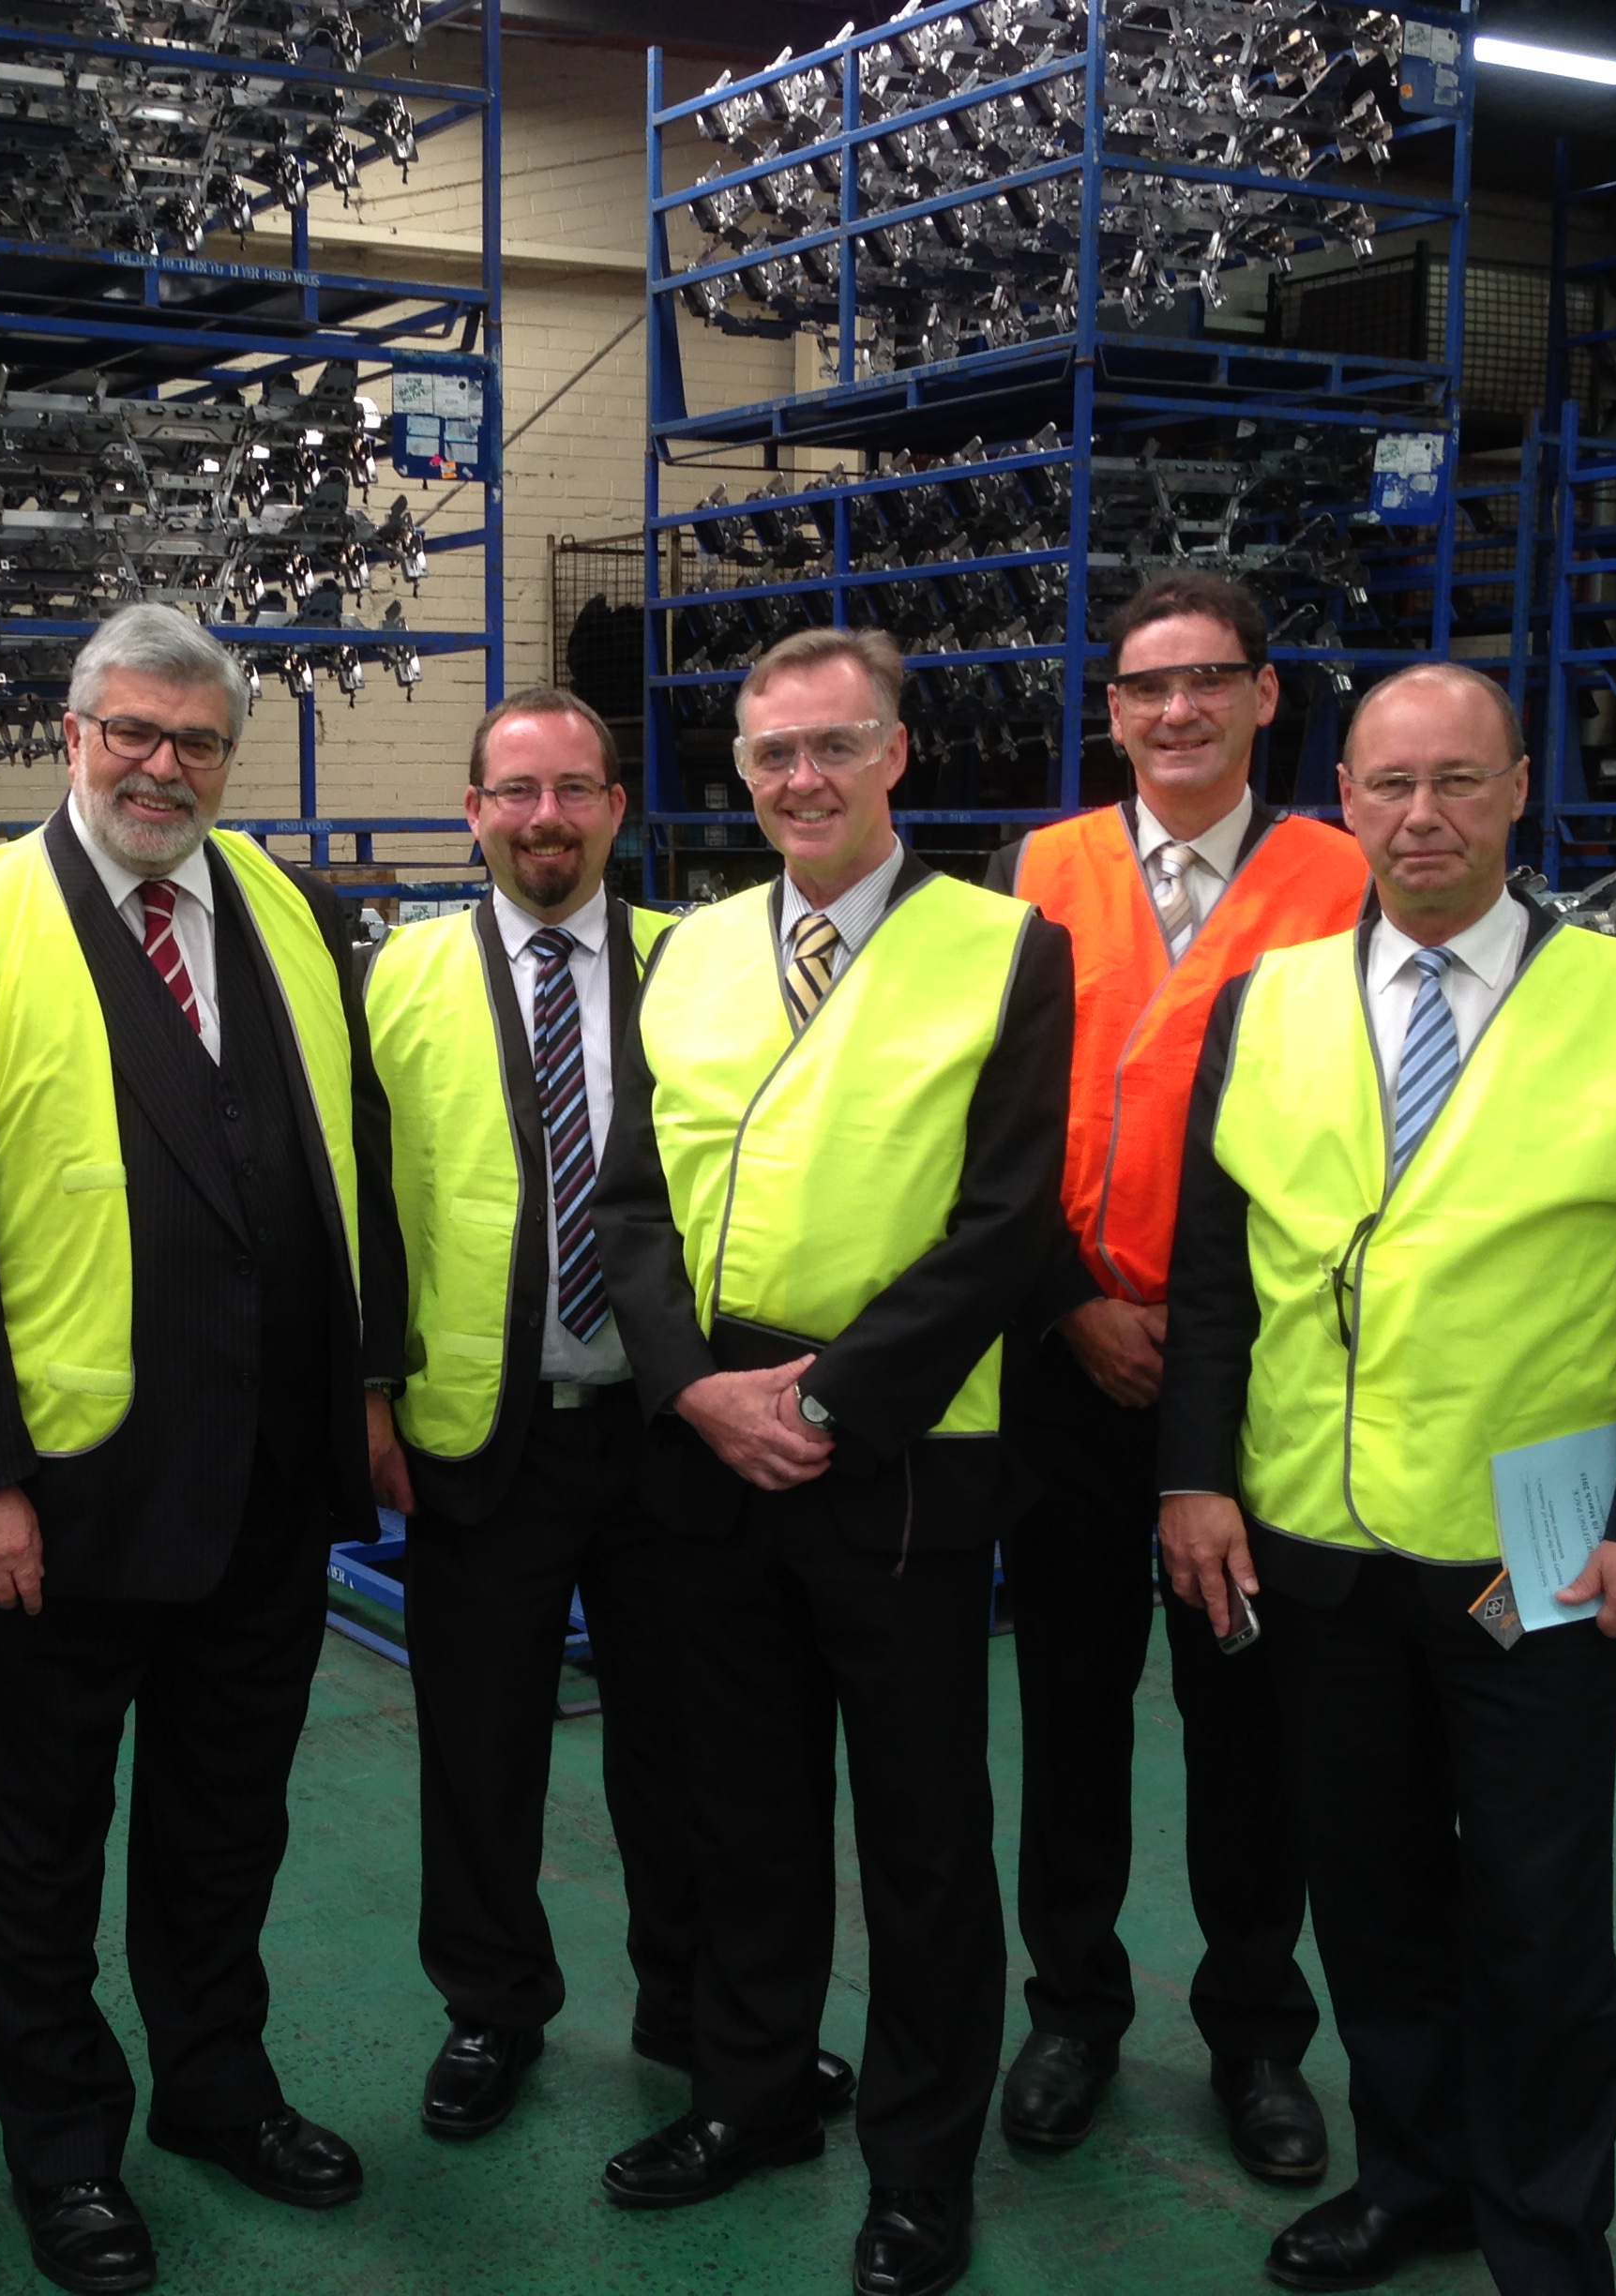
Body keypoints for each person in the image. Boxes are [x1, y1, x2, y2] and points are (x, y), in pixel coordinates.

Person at [1159, 660, 1616, 2295]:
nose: (1421, 816)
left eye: (1456, 782)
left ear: (1513, 793)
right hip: (1317, 1549)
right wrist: (1193, 1479)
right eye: (1387, 784)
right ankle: (1412, 2176)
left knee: (1542, 1913)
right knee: (1375, 1897)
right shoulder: (1264, 1002)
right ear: (1341, 799)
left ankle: (1546, 2227)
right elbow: (1219, 1278)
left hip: (1532, 1565)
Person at [0, 603, 402, 2296]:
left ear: (226, 758)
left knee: (225, 1823)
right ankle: (66, 2148)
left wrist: (369, 1391)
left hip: (266, 1478)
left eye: (196, 742)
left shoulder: (297, 915)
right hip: (66, 1497)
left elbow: (344, 1168)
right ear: (71, 736)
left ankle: (216, 2093)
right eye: (133, 734)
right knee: (41, 1842)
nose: (163, 766)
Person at [590, 625, 1072, 2296]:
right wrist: (692, 1389)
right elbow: (633, 1205)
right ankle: (754, 2096)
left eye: (835, 747)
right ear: (741, 770)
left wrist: (828, 1403)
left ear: (896, 758)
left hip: (900, 1453)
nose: (803, 779)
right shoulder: (693, 953)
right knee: (745, 1812)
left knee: (924, 1838)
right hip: (712, 1444)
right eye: (772, 754)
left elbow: (1006, 1225)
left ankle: (922, 2166)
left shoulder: (1006, 950)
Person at [361, 687, 854, 2141]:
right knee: (481, 1747)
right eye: (515, 793)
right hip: (481, 1434)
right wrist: (371, 1389)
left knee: (686, 1745)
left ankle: (692, 2004)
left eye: (575, 790)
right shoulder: (395, 979)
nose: (545, 820)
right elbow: (366, 1209)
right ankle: (490, 2006)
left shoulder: (699, 966)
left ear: (617, 809)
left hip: (666, 1433)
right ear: (472, 813)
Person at [983, 571, 1362, 2176]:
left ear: (1268, 697)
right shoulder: (1041, 869)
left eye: (1211, 680)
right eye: (1148, 687)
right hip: (1071, 1353)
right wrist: (1067, 1299)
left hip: (1259, 1366)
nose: (1178, 712)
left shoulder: (1348, 876)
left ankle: (1258, 2035)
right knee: (1069, 1700)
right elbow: (988, 1117)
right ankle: (1071, 2008)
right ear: (1113, 710)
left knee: (1249, 1714)